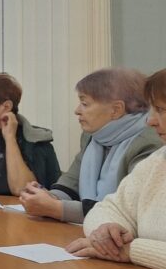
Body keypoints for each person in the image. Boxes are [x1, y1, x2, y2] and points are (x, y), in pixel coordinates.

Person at [20, 68, 162, 222]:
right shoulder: (93, 136)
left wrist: (57, 208)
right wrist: (48, 197)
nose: (77, 111)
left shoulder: (148, 143)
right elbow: (71, 182)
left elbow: (127, 209)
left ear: (116, 110)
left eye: (85, 104)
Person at [66, 69, 166, 269]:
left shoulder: (148, 147)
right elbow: (109, 208)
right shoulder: (158, 161)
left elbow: (129, 249)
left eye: (161, 110)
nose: (151, 121)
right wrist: (107, 230)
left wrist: (131, 250)